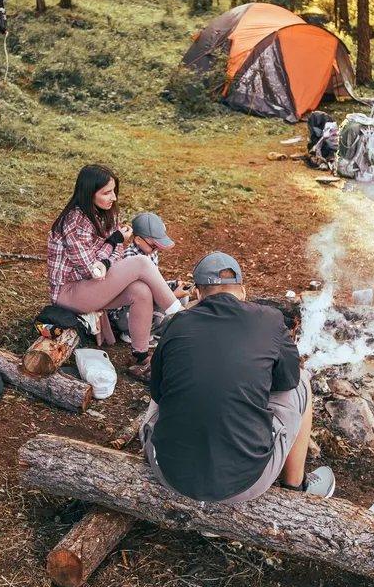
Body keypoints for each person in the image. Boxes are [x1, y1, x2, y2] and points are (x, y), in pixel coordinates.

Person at [141, 251, 335, 504]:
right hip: (245, 482)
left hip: (168, 472)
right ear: (242, 291)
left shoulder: (177, 322)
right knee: (302, 382)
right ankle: (294, 487)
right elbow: (288, 380)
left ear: (198, 295)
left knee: (169, 383)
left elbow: (157, 392)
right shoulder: (269, 319)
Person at [47, 165, 183, 378]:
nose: (113, 198)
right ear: (88, 193)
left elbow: (115, 257)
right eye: (106, 193)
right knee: (140, 262)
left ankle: (140, 357)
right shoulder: (75, 221)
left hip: (92, 286)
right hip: (69, 292)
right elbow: (89, 268)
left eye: (113, 191)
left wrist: (111, 249)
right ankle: (181, 317)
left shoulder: (107, 215)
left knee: (141, 291)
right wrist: (114, 241)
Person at [109, 213, 192, 344]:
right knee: (173, 299)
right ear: (138, 240)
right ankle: (133, 333)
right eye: (154, 246)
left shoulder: (150, 252)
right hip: (125, 314)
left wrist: (174, 285)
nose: (156, 249)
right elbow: (138, 296)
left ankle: (155, 329)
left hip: (145, 300)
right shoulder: (130, 259)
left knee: (182, 295)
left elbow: (155, 284)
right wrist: (173, 295)